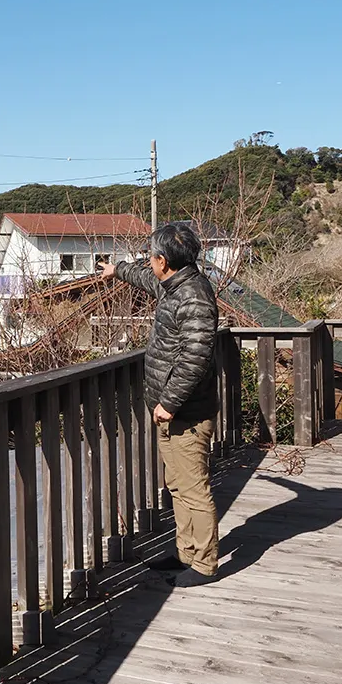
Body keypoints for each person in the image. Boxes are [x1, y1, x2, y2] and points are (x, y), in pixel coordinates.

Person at [100, 223, 220, 587]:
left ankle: (204, 565)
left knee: (193, 488)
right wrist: (115, 269)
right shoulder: (174, 285)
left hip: (185, 412)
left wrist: (169, 402)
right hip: (175, 411)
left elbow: (196, 356)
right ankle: (187, 553)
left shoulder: (193, 296)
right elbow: (142, 276)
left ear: (163, 261)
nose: (149, 262)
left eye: (151, 256)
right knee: (178, 486)